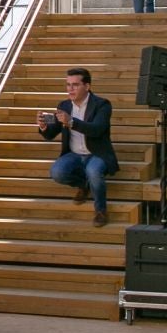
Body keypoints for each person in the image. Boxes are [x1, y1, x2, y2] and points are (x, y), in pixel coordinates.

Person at [38, 67, 119, 225]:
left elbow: (97, 130)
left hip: (96, 153)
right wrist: (43, 126)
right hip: (74, 154)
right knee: (57, 172)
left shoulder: (102, 105)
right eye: (68, 85)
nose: (70, 89)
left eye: (75, 85)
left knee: (93, 171)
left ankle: (100, 211)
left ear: (87, 86)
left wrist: (72, 122)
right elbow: (51, 134)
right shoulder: (64, 105)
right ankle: (84, 184)